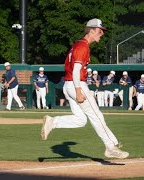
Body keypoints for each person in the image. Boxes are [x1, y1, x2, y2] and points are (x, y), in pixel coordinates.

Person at [40, 18, 129, 159]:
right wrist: (78, 90)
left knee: (80, 120)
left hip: (68, 85)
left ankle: (53, 122)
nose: (102, 34)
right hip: (76, 84)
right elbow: (76, 71)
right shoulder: (83, 46)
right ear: (92, 30)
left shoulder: (78, 45)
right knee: (96, 116)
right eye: (100, 31)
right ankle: (111, 146)